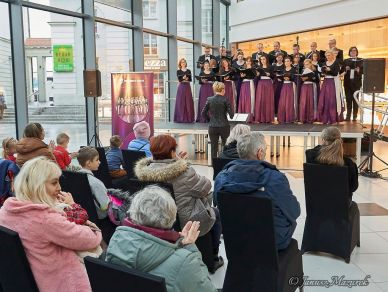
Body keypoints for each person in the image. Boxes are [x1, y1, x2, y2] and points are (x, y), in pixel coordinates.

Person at [0, 157, 102, 292]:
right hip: (61, 283)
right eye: (54, 183)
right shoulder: (45, 219)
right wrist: (92, 227)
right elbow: (89, 240)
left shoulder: (6, 211)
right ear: (38, 185)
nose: (59, 188)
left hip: (29, 280)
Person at [134, 135, 224, 272]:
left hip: (154, 219)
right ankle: (212, 259)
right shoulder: (184, 172)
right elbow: (205, 187)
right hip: (184, 221)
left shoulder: (144, 172)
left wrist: (178, 162)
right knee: (215, 213)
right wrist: (184, 164)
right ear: (172, 152)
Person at [106, 186, 217, 292]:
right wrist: (190, 249)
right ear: (172, 218)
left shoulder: (115, 242)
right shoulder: (185, 263)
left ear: (133, 213)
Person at [214, 132, 301, 250]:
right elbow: (294, 211)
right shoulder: (274, 179)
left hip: (236, 237)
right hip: (272, 240)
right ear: (260, 153)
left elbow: (218, 205)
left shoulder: (221, 177)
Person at [305, 126, 358, 203]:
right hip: (340, 207)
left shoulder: (310, 156)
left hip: (316, 204)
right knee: (354, 208)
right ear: (340, 140)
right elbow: (353, 187)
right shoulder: (349, 163)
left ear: (323, 140)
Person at [202, 82, 234, 158]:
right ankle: (224, 164)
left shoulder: (209, 99)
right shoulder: (225, 99)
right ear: (223, 90)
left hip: (212, 126)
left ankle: (214, 165)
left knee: (213, 148)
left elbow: (203, 113)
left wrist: (209, 119)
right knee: (226, 147)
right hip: (224, 126)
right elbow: (231, 115)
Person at [77, 147, 111, 220]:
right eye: (97, 160)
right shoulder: (96, 183)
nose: (99, 162)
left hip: (83, 215)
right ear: (89, 163)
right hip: (100, 217)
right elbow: (105, 206)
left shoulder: (75, 178)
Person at [318, 50, 344, 124]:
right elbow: (322, 73)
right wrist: (324, 71)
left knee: (332, 99)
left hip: (333, 82)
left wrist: (329, 70)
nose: (328, 57)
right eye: (326, 55)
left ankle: (333, 118)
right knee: (325, 99)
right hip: (326, 81)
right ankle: (325, 118)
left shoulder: (336, 63)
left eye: (329, 55)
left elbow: (336, 73)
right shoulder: (324, 63)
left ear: (332, 55)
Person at [343, 46, 363, 121]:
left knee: (356, 100)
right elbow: (341, 70)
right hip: (347, 83)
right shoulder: (346, 60)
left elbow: (364, 71)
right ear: (349, 52)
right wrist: (345, 69)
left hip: (356, 83)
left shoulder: (361, 60)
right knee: (348, 99)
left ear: (357, 52)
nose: (353, 52)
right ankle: (348, 116)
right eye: (351, 51)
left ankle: (355, 116)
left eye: (354, 50)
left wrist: (358, 70)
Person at [254, 55, 275, 123]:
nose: (263, 60)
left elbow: (274, 76)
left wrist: (269, 74)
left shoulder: (271, 67)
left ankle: (269, 118)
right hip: (261, 84)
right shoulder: (259, 67)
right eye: (261, 59)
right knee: (260, 99)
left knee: (268, 100)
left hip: (268, 83)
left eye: (264, 59)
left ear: (266, 59)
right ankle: (260, 118)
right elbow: (257, 78)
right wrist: (257, 75)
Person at [174, 58, 195, 123]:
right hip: (181, 87)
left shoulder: (189, 71)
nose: (183, 63)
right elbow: (179, 80)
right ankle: (180, 118)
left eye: (184, 62)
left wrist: (185, 79)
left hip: (187, 86)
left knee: (188, 101)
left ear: (186, 63)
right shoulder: (178, 71)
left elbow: (190, 79)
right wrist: (183, 78)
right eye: (182, 62)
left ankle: (189, 118)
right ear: (180, 64)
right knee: (180, 102)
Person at [277, 56, 296, 124]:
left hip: (290, 86)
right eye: (285, 61)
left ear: (291, 62)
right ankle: (282, 118)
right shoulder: (283, 70)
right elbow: (281, 78)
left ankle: (289, 118)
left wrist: (290, 79)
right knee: (283, 102)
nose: (286, 62)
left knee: (289, 101)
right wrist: (280, 79)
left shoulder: (293, 70)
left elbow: (295, 79)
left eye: (288, 61)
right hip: (284, 86)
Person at [299, 59, 319, 123]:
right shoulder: (303, 71)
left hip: (311, 86)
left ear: (311, 64)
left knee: (311, 101)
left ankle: (311, 118)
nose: (306, 66)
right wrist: (302, 79)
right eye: (305, 64)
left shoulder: (315, 71)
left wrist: (309, 78)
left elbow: (317, 80)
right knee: (304, 102)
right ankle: (303, 118)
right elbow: (300, 80)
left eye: (307, 64)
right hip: (304, 87)